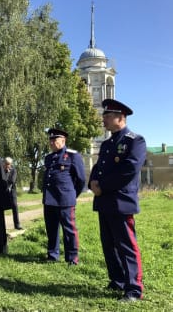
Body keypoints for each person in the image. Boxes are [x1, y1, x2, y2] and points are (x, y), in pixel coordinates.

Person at [89, 99, 146, 302]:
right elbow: (98, 168)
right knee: (109, 244)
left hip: (121, 202)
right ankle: (118, 280)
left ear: (120, 118)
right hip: (104, 202)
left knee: (126, 245)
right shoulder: (107, 144)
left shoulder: (134, 141)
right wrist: (92, 183)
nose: (103, 119)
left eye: (107, 115)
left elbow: (129, 169)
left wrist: (102, 186)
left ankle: (133, 288)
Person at [42, 128, 86, 265]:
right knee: (51, 229)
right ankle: (52, 255)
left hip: (65, 200)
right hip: (49, 199)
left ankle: (72, 258)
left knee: (69, 230)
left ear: (63, 140)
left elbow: (81, 179)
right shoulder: (48, 158)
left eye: (54, 140)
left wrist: (72, 194)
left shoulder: (73, 156)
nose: (51, 143)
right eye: (50, 140)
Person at [3, 157, 22, 230]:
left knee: (15, 206)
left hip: (11, 191)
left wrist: (7, 174)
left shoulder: (13, 170)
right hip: (3, 191)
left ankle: (17, 225)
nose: (8, 165)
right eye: (7, 164)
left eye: (10, 164)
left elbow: (12, 180)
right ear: (4, 163)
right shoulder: (1, 170)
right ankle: (0, 226)